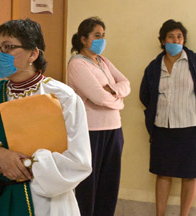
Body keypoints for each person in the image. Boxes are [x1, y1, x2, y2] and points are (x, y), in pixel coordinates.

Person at [0, 18, 92, 216]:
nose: (1, 54)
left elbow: (79, 162)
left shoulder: (62, 97)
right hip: (0, 198)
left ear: (33, 53)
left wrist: (26, 164)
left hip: (47, 202)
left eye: (8, 47)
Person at [140, 19, 196, 216]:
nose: (175, 40)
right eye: (170, 36)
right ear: (163, 40)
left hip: (192, 127)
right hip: (163, 128)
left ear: (184, 40)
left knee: (190, 175)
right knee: (163, 173)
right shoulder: (154, 67)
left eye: (179, 37)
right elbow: (145, 95)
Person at [67, 17, 131, 216]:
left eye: (103, 36)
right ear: (83, 39)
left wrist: (112, 91)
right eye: (97, 36)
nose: (101, 40)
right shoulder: (77, 64)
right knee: (89, 185)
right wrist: (117, 99)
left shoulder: (103, 61)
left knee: (109, 183)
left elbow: (126, 83)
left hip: (114, 129)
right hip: (91, 131)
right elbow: (98, 96)